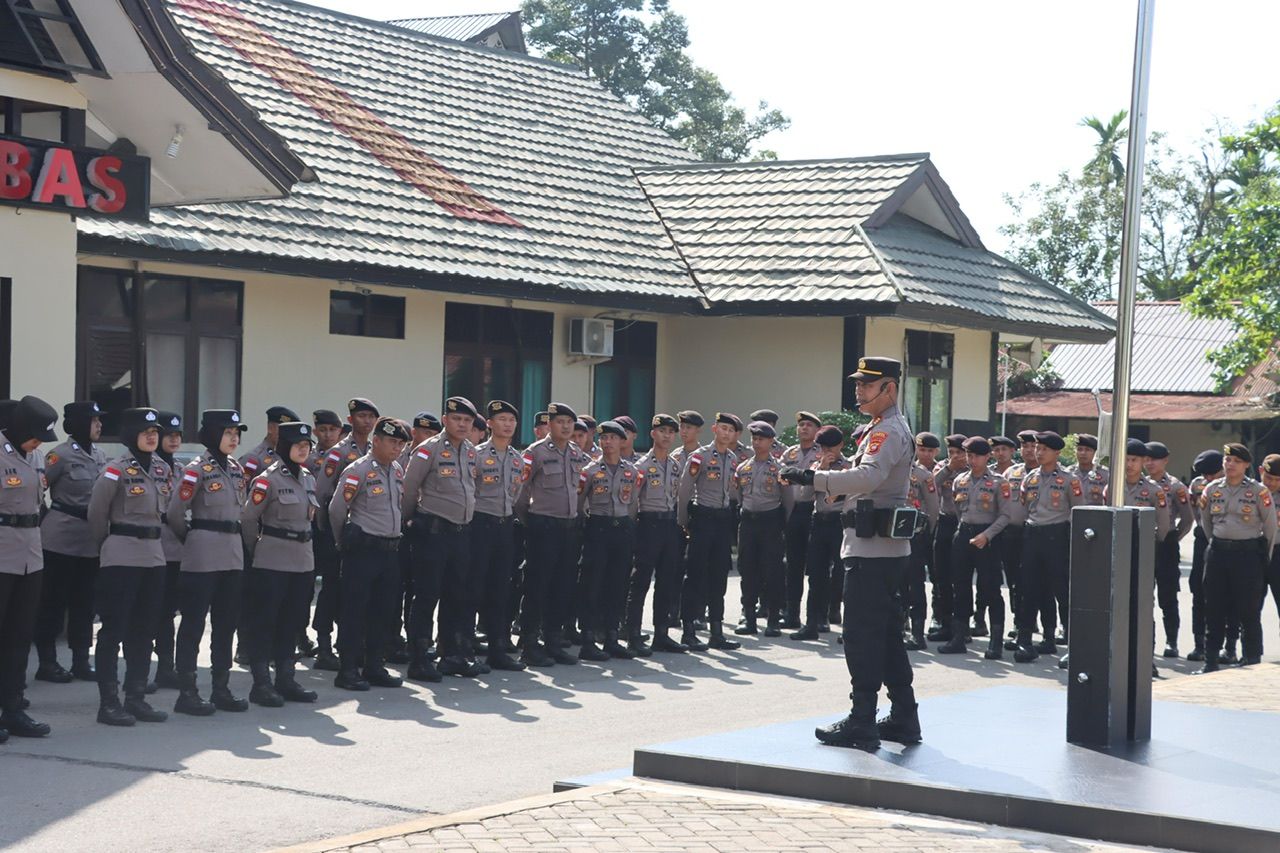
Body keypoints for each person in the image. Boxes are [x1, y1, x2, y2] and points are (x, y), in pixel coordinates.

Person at [781, 357, 918, 751]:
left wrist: (813, 476)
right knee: (888, 635)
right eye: (857, 383)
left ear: (888, 388)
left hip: (872, 551)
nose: (858, 390)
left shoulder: (887, 431)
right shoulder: (882, 427)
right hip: (880, 548)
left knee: (861, 638)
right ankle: (905, 716)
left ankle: (862, 721)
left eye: (867, 384)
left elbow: (869, 477)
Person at [87, 407, 171, 727]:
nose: (152, 436)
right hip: (121, 554)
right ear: (130, 434)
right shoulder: (115, 470)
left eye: (155, 431)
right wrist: (106, 547)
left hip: (154, 555)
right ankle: (108, 703)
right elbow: (96, 515)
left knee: (144, 630)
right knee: (114, 630)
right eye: (145, 431)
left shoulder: (163, 469)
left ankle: (135, 698)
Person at [167, 410, 250, 716]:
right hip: (202, 552)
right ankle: (187, 692)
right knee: (193, 623)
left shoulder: (236, 469)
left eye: (236, 433)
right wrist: (192, 538)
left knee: (226, 624)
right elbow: (176, 512)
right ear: (213, 434)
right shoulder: (196, 470)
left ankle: (221, 688)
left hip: (231, 553)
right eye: (228, 432)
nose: (234, 438)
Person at [240, 421, 321, 706]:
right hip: (272, 559)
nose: (303, 449)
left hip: (302, 560)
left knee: (292, 621)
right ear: (284, 447)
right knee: (265, 622)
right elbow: (248, 520)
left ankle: (286, 679)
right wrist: (256, 552)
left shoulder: (309, 477)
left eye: (306, 445)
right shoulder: (267, 480)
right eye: (297, 445)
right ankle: (261, 683)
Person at [401, 397, 481, 679]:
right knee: (426, 596)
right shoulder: (428, 450)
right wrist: (409, 523)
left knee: (456, 595)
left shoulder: (471, 451)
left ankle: (452, 654)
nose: (462, 424)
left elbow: (472, 488)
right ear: (445, 420)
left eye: (468, 420)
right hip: (432, 533)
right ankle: (419, 658)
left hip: (461, 534)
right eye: (457, 419)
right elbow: (409, 490)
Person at [327, 416, 409, 690]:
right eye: (392, 442)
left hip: (389, 551)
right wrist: (343, 543)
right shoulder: (358, 470)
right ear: (376, 441)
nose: (397, 448)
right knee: (354, 612)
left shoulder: (397, 469)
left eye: (400, 443)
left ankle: (375, 665)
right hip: (363, 551)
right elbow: (337, 509)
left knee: (383, 612)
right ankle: (348, 669)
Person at [34, 401, 106, 684]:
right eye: (94, 420)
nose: (100, 425)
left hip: (89, 540)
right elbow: (38, 489)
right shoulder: (59, 456)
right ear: (78, 424)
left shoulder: (101, 456)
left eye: (100, 420)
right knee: (52, 601)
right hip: (60, 538)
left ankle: (80, 661)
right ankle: (47, 662)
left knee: (84, 603)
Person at [0, 396, 59, 739]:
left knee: (19, 636)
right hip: (2, 552)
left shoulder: (35, 456)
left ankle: (13, 707)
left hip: (30, 553)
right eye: (35, 435)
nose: (39, 443)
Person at [516, 402, 589, 666]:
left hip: (568, 528)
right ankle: (529, 643)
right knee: (537, 586)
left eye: (570, 423)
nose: (567, 427)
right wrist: (531, 522)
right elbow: (521, 494)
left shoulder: (576, 453)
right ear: (550, 425)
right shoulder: (535, 452)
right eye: (561, 422)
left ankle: (553, 641)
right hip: (543, 526)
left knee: (562, 586)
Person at [1198, 443, 1276, 671]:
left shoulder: (1258, 491)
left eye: (1236, 461)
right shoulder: (1212, 489)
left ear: (1247, 465)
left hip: (1247, 555)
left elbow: (1270, 527)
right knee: (1213, 607)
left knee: (1249, 610)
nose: (1230, 464)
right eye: (1227, 460)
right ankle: (1210, 661)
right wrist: (1219, 541)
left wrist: (1261, 556)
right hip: (1219, 553)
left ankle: (1252, 660)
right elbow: (1205, 522)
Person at [1012, 432, 1085, 663]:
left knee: (1062, 591)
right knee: (1029, 589)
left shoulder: (1069, 479)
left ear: (1057, 453)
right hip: (1033, 534)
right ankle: (1025, 641)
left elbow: (1078, 513)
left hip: (1057, 535)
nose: (1039, 452)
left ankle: (1073, 646)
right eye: (1037, 448)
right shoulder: (1030, 477)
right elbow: (1023, 507)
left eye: (1044, 449)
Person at [941, 437, 1017, 659]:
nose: (971, 460)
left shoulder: (999, 482)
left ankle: (995, 642)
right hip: (964, 533)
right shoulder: (960, 480)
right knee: (960, 586)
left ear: (987, 457)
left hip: (988, 536)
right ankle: (959, 636)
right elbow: (957, 509)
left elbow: (1005, 515)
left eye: (976, 456)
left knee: (990, 588)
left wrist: (987, 535)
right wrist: (965, 530)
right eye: (968, 455)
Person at [677, 412, 744, 651]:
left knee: (719, 576)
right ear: (715, 429)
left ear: (735, 435)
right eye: (723, 428)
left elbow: (732, 492)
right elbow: (684, 491)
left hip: (722, 519)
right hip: (702, 517)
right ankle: (688, 630)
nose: (726, 433)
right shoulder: (700, 456)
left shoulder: (733, 458)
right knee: (695, 575)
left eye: (731, 430)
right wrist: (684, 522)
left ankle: (717, 631)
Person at [470, 400, 526, 672]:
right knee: (472, 587)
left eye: (511, 420)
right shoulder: (476, 454)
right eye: (501, 419)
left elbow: (516, 493)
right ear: (489, 424)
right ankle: (464, 646)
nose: (507, 424)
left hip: (505, 526)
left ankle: (497, 648)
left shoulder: (517, 458)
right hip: (479, 524)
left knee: (500, 589)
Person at [576, 420, 640, 660]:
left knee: (618, 583)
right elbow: (580, 503)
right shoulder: (590, 471)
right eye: (603, 438)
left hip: (621, 529)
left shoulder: (631, 471)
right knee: (593, 584)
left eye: (613, 438)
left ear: (622, 441)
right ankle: (588, 638)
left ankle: (612, 635)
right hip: (598, 529)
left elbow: (633, 503)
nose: (607, 442)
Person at [626, 414, 686, 654]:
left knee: (667, 581)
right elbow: (631, 502)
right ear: (653, 434)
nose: (667, 436)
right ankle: (633, 634)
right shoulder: (640, 466)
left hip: (669, 525)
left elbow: (677, 496)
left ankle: (661, 633)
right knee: (640, 581)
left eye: (671, 432)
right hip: (647, 525)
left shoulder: (674, 465)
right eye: (662, 431)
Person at [792, 425, 852, 641]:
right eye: (823, 447)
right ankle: (811, 623)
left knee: (842, 575)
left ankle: (845, 625)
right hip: (819, 522)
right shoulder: (816, 465)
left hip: (840, 523)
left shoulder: (849, 467)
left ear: (841, 446)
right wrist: (820, 470)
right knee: (816, 574)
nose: (827, 451)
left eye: (831, 447)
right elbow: (804, 495)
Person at [732, 421, 789, 637]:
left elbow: (788, 500)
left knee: (772, 570)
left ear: (771, 441)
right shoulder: (743, 467)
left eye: (761, 439)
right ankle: (748, 616)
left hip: (770, 522)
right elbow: (739, 496)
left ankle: (773, 618)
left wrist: (782, 524)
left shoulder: (779, 469)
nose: (757, 443)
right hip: (748, 522)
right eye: (754, 439)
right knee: (748, 570)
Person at [1144, 441, 1194, 658]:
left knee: (1168, 596)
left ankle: (1172, 642)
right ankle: (1147, 644)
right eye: (1146, 458)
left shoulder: (1175, 486)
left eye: (1154, 458)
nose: (1149, 463)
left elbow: (1188, 518)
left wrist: (1172, 538)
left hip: (1166, 544)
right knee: (1144, 597)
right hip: (1143, 542)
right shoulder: (1139, 482)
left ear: (1165, 460)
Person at [307, 408, 345, 671]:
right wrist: (322, 529)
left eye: (332, 429)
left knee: (339, 589)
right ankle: (318, 642)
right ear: (315, 432)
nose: (328, 434)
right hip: (317, 532)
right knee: (313, 590)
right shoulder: (309, 459)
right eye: (323, 429)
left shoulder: (353, 454)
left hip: (342, 531)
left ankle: (342, 643)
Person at [151, 411, 185, 690]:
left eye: (177, 435)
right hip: (150, 545)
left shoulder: (184, 470)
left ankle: (165, 666)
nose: (173, 440)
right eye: (168, 435)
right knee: (146, 610)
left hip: (175, 548)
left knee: (166, 612)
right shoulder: (144, 466)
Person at [781, 412, 821, 630]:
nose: (804, 428)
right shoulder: (789, 453)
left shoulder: (822, 453)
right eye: (801, 425)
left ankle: (817, 615)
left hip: (813, 511)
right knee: (793, 564)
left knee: (816, 566)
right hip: (793, 511)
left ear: (817, 430)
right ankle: (791, 612)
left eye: (809, 425)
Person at [927, 434, 968, 642]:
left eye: (959, 453)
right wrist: (949, 468)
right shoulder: (942, 467)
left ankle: (964, 625)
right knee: (940, 575)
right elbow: (930, 486)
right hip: (944, 522)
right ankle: (944, 620)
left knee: (961, 577)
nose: (955, 457)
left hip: (964, 523)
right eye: (951, 453)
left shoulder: (973, 470)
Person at [901, 433, 940, 650]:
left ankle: (917, 633)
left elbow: (933, 510)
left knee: (915, 584)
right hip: (893, 535)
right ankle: (899, 626)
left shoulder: (923, 475)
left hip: (916, 534)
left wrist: (926, 533)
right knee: (897, 583)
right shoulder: (892, 471)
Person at [1186, 449, 1223, 662]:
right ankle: (1199, 644)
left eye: (1213, 474)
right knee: (1198, 591)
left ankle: (1229, 646)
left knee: (1226, 595)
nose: (1208, 479)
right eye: (1205, 475)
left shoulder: (1235, 486)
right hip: (1202, 539)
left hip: (1226, 540)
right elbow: (1191, 511)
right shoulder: (1197, 485)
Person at [240, 406, 300, 478]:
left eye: (290, 431)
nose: (287, 435)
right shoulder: (254, 458)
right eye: (283, 430)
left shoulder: (293, 457)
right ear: (270, 428)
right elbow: (241, 486)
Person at [1258, 454, 1280, 643]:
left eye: (1277, 480)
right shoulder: (1250, 492)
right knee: (1250, 606)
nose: (1272, 483)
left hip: (1279, 553)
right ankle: (1250, 653)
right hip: (1254, 551)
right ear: (1260, 471)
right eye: (1268, 478)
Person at [1072, 434, 1109, 506]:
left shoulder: (1105, 475)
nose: (1083, 453)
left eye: (1088, 450)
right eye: (1080, 449)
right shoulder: (1068, 473)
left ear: (1095, 453)